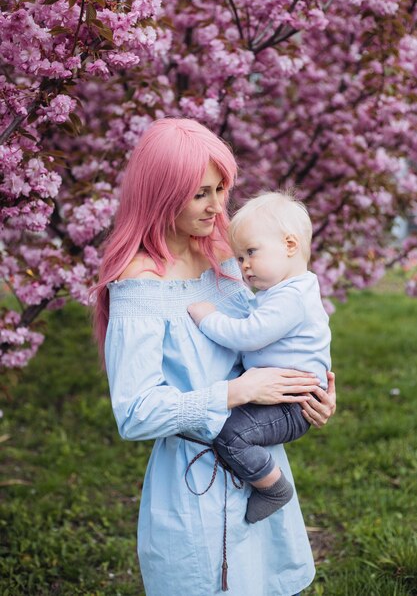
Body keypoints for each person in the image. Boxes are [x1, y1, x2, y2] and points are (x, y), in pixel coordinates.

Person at [93, 117, 336, 596]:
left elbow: (273, 334)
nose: (218, 205)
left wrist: (315, 389)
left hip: (258, 463)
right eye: (201, 193)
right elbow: (135, 413)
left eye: (221, 188)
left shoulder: (226, 255)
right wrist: (235, 392)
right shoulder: (140, 285)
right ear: (162, 192)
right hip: (193, 478)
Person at [187, 192, 331, 525]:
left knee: (231, 436)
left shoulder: (291, 298)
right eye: (238, 258)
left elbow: (248, 335)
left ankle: (273, 488)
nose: (244, 266)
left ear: (290, 246)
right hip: (286, 396)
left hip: (293, 404)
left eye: (251, 252)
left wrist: (208, 318)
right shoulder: (283, 292)